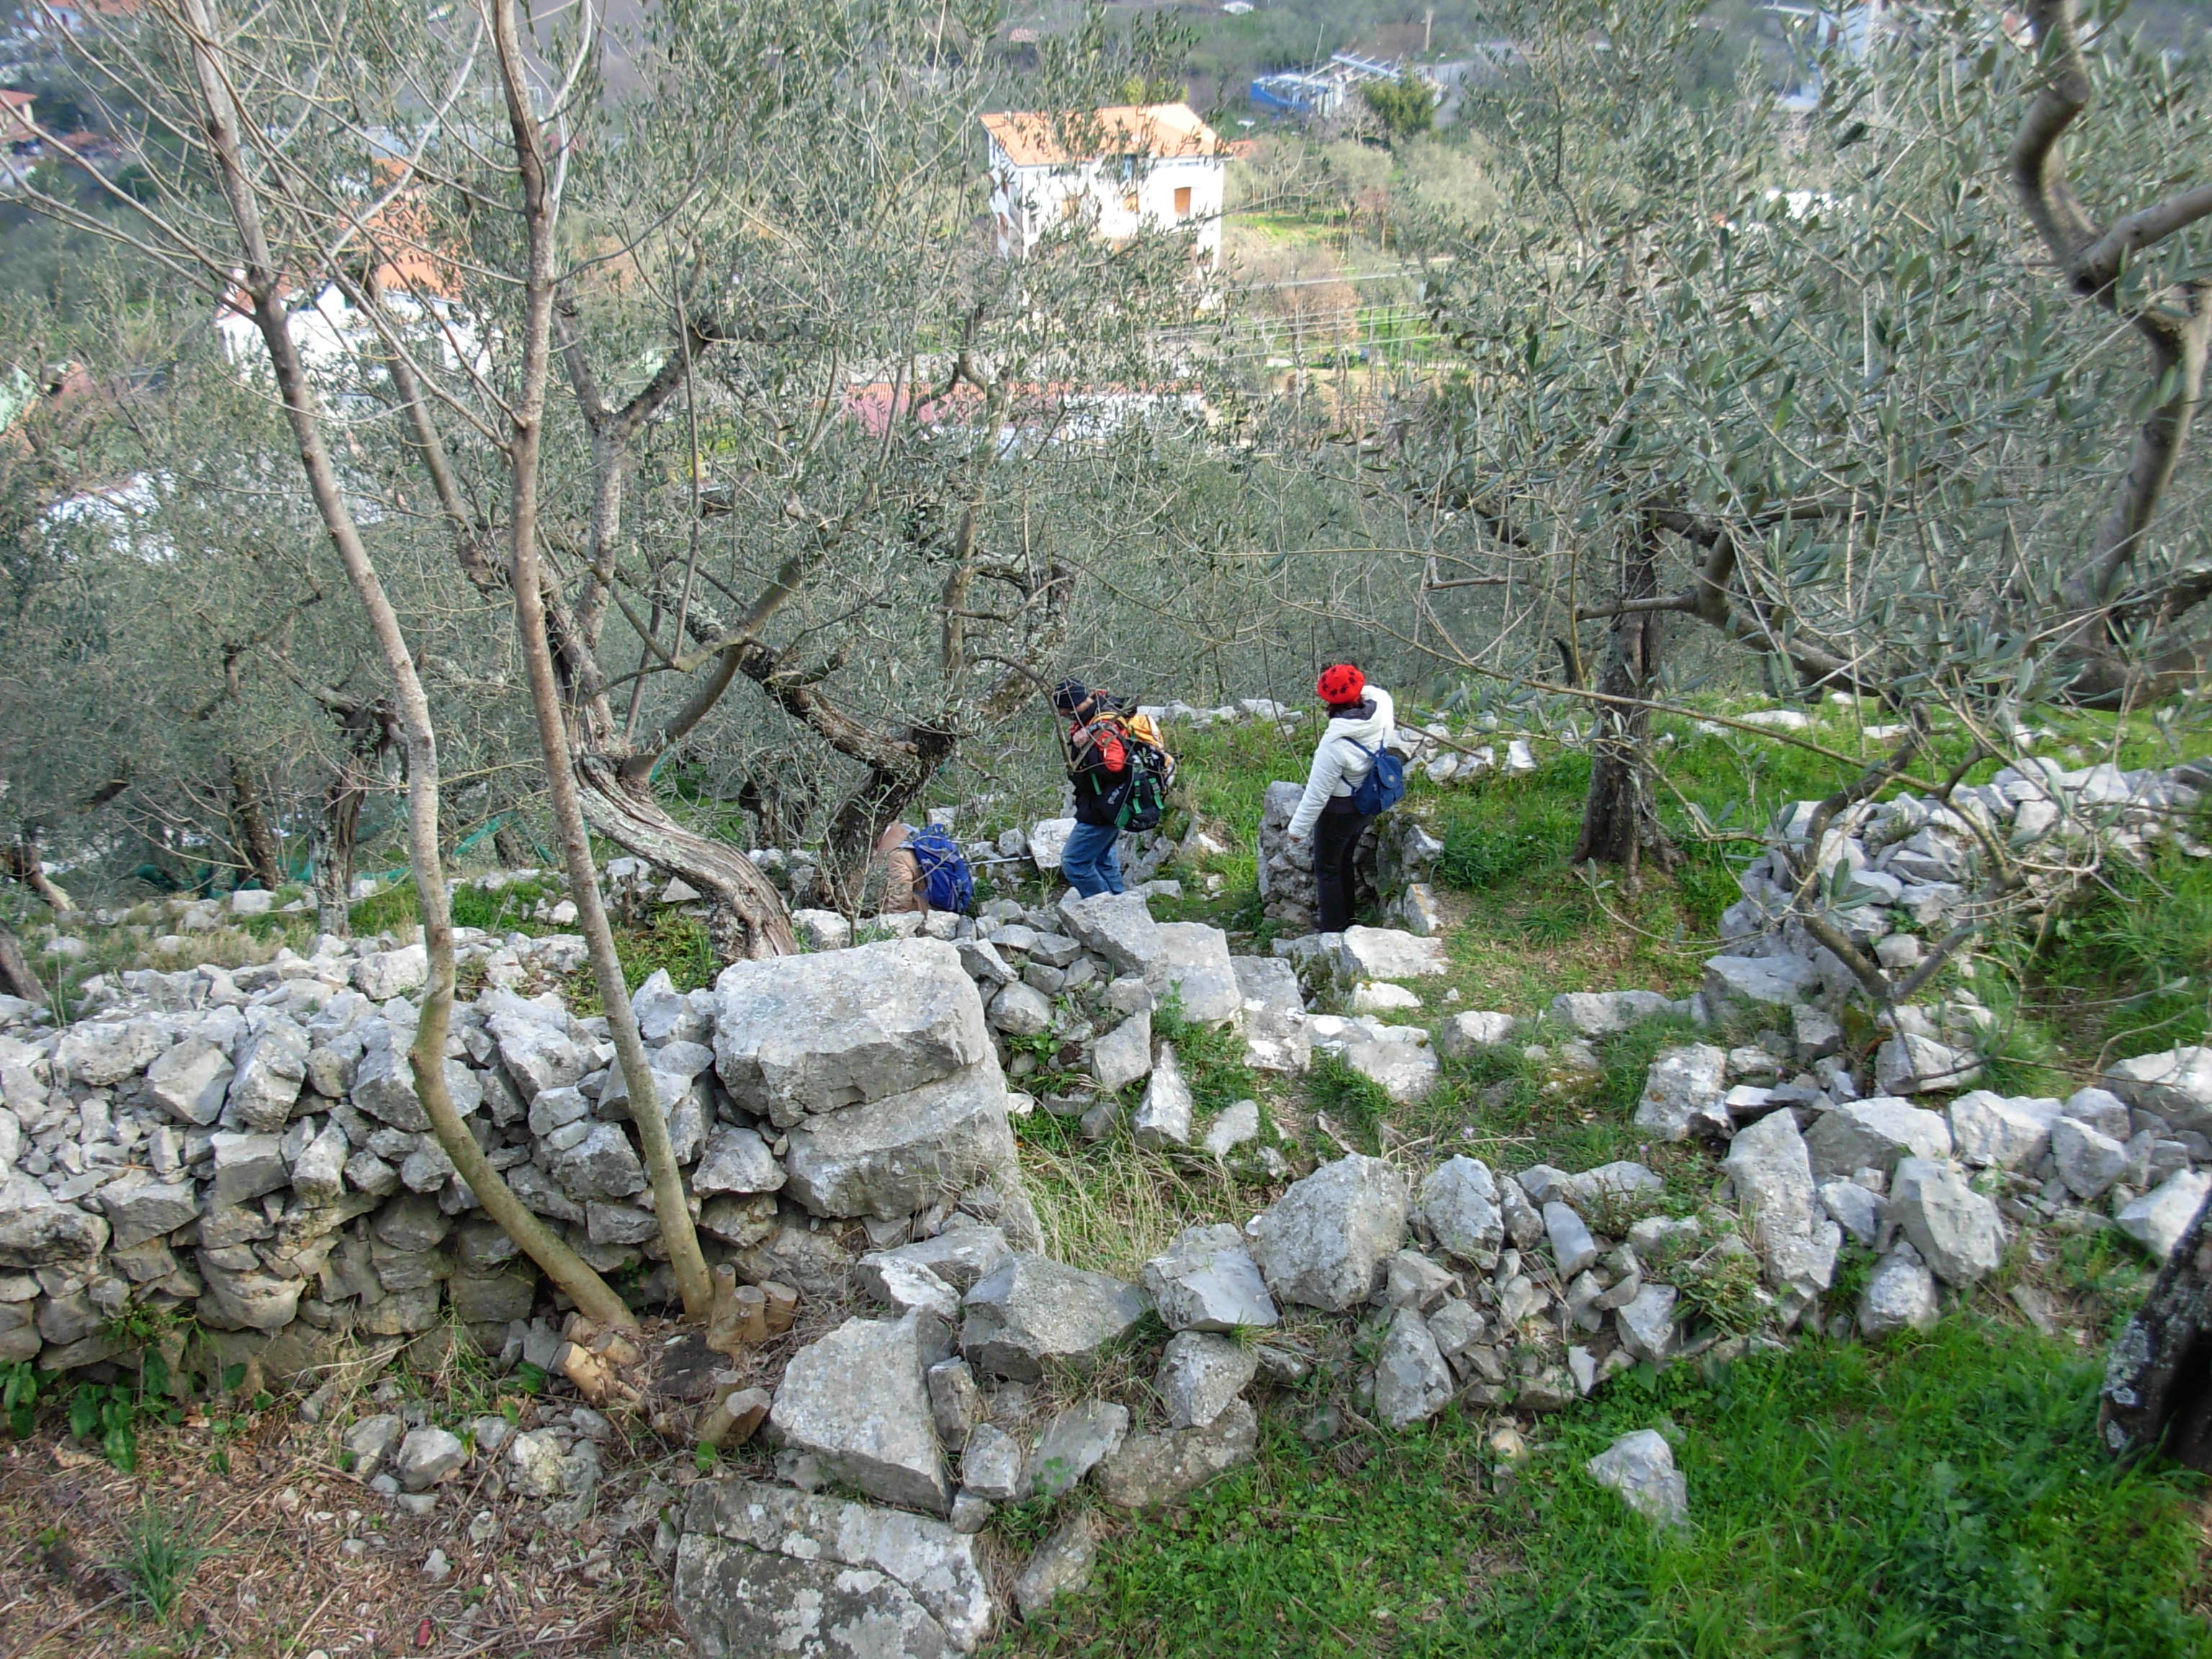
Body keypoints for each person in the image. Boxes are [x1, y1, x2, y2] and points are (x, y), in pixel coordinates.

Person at [1287, 662, 1397, 932]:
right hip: (1369, 799)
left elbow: (1317, 794)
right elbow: (1370, 691)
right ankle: (1349, 921)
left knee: (1327, 869)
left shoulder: (1334, 744)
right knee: (1344, 859)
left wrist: (1297, 829)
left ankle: (1334, 931)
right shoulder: (1382, 705)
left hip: (1340, 811)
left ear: (1327, 701)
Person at [1053, 678, 1130, 898]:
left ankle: (1104, 908)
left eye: (1062, 710)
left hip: (1102, 807)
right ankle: (1121, 904)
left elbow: (1115, 769)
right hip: (1108, 804)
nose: (1061, 714)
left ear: (1072, 706)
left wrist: (1083, 748)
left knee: (1074, 863)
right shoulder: (1095, 716)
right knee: (1102, 859)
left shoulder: (1101, 726)